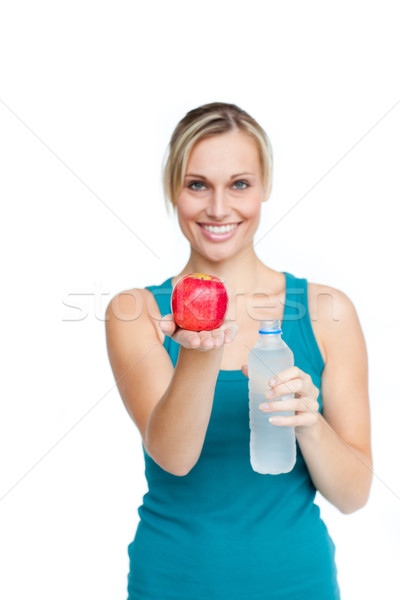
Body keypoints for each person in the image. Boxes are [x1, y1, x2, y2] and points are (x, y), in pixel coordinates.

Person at [105, 102, 372, 599]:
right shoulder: (136, 312)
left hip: (299, 583)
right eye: (197, 184)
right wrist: (201, 350)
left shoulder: (327, 311)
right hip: (172, 582)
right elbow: (174, 456)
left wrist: (310, 423)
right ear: (174, 191)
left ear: (265, 187)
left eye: (240, 184)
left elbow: (354, 495)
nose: (219, 209)